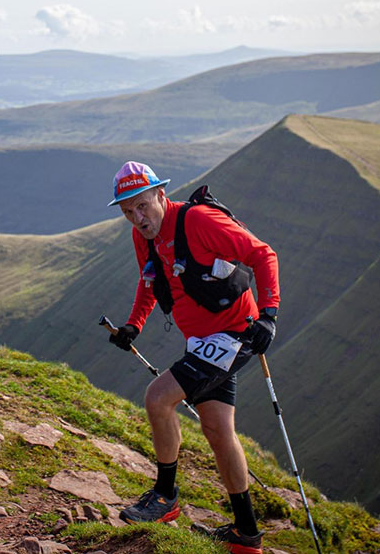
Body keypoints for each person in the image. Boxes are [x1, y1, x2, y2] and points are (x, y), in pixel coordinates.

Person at [108, 161, 278, 554]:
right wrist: (133, 325)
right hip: (202, 342)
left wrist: (268, 316)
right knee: (218, 432)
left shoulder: (198, 221)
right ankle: (247, 534)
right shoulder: (144, 237)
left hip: (236, 334)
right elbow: (150, 279)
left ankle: (165, 498)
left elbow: (263, 255)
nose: (138, 217)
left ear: (161, 195)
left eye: (143, 205)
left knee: (157, 397)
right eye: (128, 211)